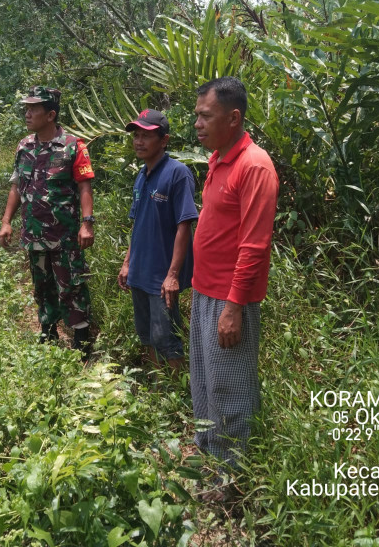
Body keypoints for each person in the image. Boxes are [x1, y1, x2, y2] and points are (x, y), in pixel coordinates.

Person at [189, 77, 279, 483]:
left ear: (234, 117)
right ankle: (209, 456)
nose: (197, 124)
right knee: (206, 382)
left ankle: (233, 478)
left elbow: (254, 246)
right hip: (205, 291)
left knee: (231, 391)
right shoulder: (219, 158)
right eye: (197, 116)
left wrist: (234, 308)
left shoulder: (254, 166)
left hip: (229, 300)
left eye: (205, 116)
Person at [0, 86, 96, 356]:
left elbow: (85, 187)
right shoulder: (24, 146)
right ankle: (49, 331)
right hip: (33, 233)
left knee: (71, 285)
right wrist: (7, 221)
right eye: (26, 108)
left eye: (34, 109)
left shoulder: (73, 146)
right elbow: (17, 187)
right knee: (42, 286)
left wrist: (87, 224)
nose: (27, 113)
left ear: (50, 114)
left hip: (65, 235)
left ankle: (81, 339)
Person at [117, 109, 198, 376]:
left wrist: (173, 275)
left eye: (146, 136)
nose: (139, 141)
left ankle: (177, 396)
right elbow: (137, 223)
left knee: (167, 337)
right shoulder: (142, 175)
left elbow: (184, 224)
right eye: (136, 136)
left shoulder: (178, 173)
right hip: (139, 271)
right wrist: (127, 263)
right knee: (146, 335)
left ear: (164, 140)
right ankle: (157, 392)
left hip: (161, 275)